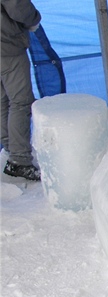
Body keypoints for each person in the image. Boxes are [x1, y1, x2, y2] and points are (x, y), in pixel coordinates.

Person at [1, 0, 42, 181]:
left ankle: (11, 147)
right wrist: (34, 20)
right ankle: (19, 160)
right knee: (20, 101)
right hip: (6, 46)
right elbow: (17, 5)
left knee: (3, 101)